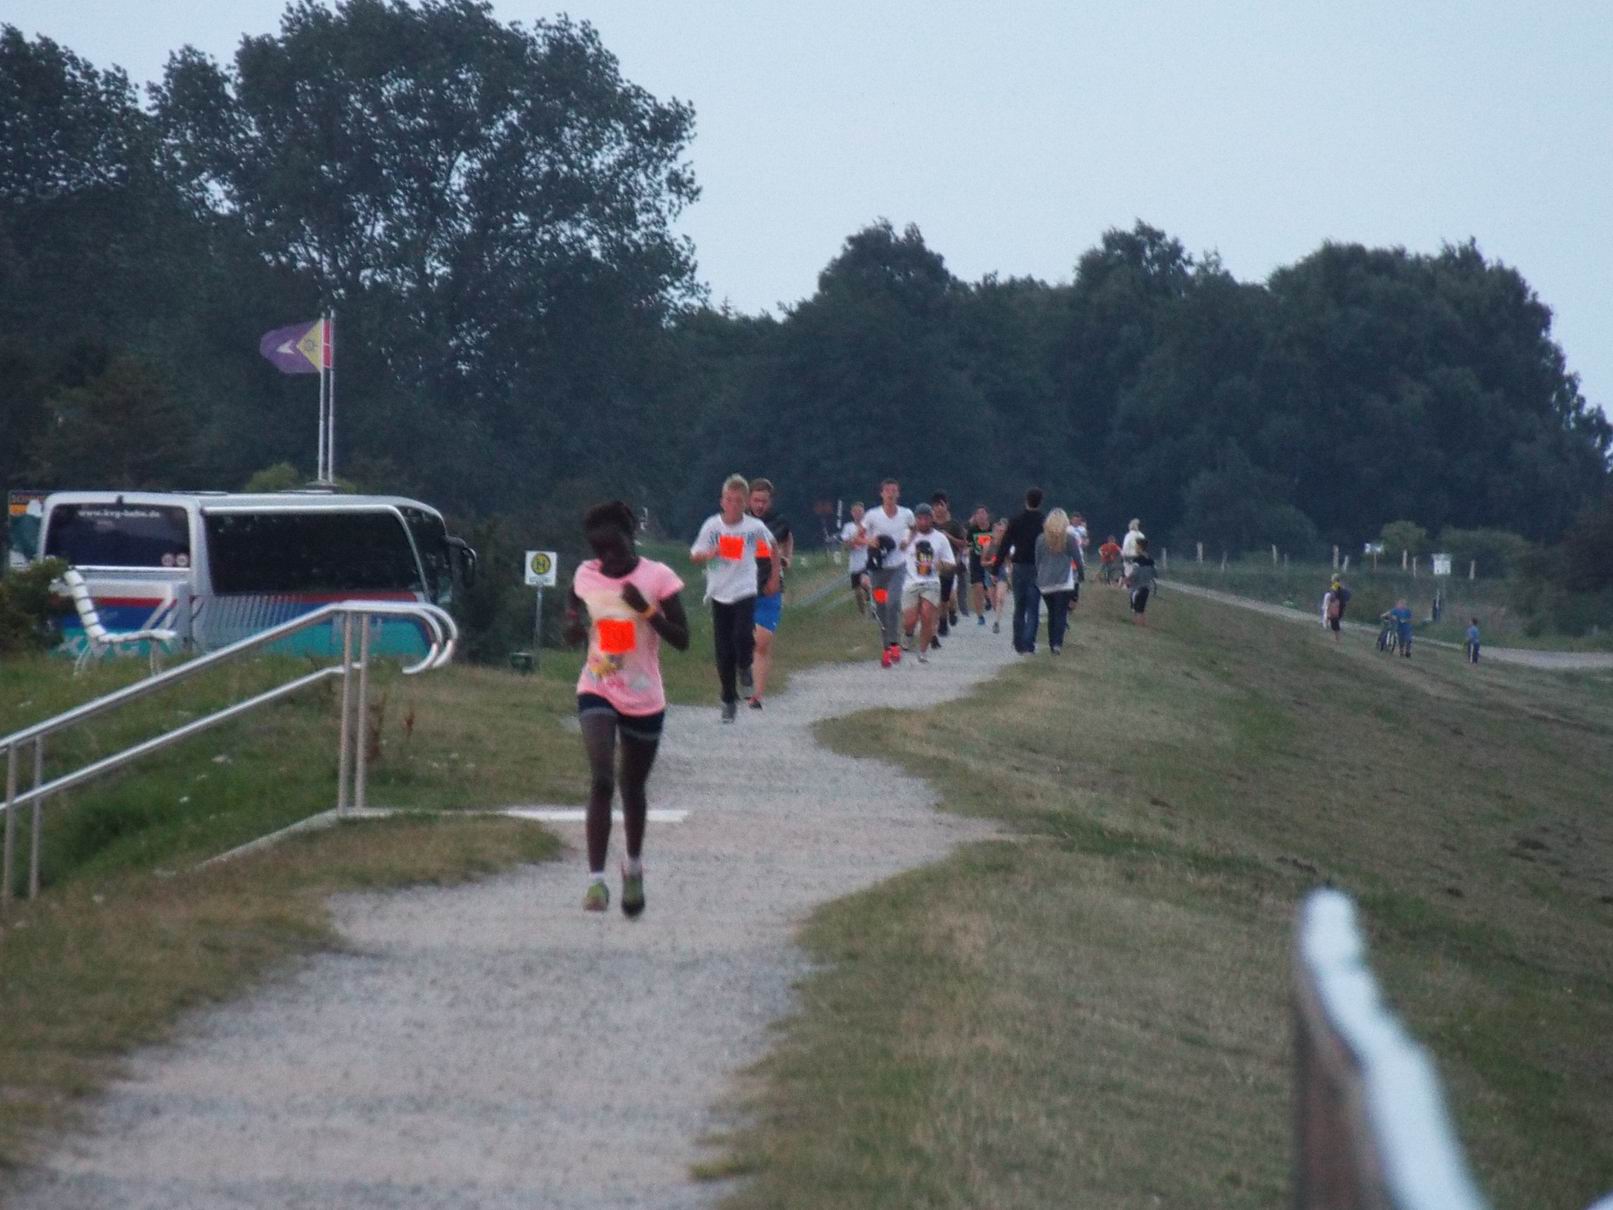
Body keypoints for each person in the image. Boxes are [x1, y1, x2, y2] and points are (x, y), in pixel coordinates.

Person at [564, 501, 690, 915]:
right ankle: (595, 882)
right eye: (599, 551)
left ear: (630, 536)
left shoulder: (658, 577)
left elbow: (683, 639)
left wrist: (646, 610)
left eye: (614, 548)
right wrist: (571, 623)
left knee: (632, 787)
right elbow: (574, 599)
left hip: (644, 696)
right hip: (597, 685)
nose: (608, 558)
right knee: (602, 779)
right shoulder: (586, 573)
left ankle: (633, 868)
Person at [690, 474, 774, 722]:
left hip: (744, 589)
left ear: (745, 503)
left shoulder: (753, 528)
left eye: (738, 501)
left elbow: (771, 548)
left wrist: (773, 577)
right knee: (724, 650)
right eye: (729, 500)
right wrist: (710, 553)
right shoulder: (712, 527)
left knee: (742, 635)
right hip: (719, 592)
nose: (733, 505)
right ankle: (728, 698)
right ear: (722, 501)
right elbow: (694, 555)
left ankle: (745, 666)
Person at [747, 477, 793, 710]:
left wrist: (787, 558)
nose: (760, 505)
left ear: (770, 501)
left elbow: (787, 538)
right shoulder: (737, 521)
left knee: (762, 642)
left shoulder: (778, 522)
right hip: (741, 590)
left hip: (769, 588)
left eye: (764, 501)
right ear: (748, 500)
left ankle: (757, 695)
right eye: (756, 500)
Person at [860, 478, 916, 668]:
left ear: (898, 493)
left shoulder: (906, 513)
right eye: (887, 491)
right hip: (878, 570)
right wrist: (869, 541)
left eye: (894, 490)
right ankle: (887, 648)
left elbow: (914, 529)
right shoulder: (872, 515)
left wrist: (908, 541)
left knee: (893, 603)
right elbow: (857, 537)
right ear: (882, 494)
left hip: (898, 567)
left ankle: (895, 643)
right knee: (881, 608)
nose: (891, 494)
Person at [900, 503, 957, 662]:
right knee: (910, 620)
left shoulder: (940, 538)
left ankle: (923, 651)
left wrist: (941, 565)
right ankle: (908, 634)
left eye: (926, 519)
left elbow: (951, 563)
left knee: (927, 615)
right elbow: (899, 550)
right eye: (920, 519)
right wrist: (910, 536)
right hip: (910, 582)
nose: (923, 522)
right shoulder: (907, 534)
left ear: (932, 519)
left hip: (931, 582)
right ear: (915, 519)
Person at [995, 487, 1047, 653]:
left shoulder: (1016, 520)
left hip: (1018, 566)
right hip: (1037, 567)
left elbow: (1005, 545)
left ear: (1026, 500)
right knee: (1033, 607)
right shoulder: (1044, 522)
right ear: (1040, 502)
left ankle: (1018, 642)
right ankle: (1028, 642)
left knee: (1020, 606)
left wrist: (996, 566)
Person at [1034, 508, 1079, 654]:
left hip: (1045, 583)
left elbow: (1037, 561)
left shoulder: (1041, 539)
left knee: (1052, 613)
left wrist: (1038, 575)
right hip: (1063, 582)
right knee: (1060, 613)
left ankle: (1051, 642)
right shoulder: (1069, 539)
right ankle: (1057, 644)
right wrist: (1081, 576)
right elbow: (1078, 559)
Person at [931, 492, 969, 633]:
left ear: (947, 506)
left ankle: (952, 611)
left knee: (951, 596)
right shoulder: (930, 524)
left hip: (950, 564)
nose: (939, 508)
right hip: (934, 564)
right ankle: (942, 622)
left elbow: (963, 544)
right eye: (936, 505)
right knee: (939, 596)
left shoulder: (954, 525)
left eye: (941, 505)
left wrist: (948, 537)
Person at [840, 501, 870, 614]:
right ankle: (863, 613)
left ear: (864, 512)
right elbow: (846, 546)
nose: (858, 513)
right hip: (855, 564)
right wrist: (853, 541)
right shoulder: (848, 527)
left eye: (860, 511)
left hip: (868, 561)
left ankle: (874, 604)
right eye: (855, 511)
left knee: (865, 583)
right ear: (852, 513)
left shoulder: (869, 526)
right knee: (858, 593)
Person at [966, 505, 993, 623]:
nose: (981, 516)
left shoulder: (993, 528)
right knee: (978, 587)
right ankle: (980, 616)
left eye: (983, 513)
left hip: (990, 562)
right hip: (976, 562)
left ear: (987, 515)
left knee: (988, 587)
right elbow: (967, 544)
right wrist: (969, 549)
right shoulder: (972, 530)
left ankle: (989, 599)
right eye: (978, 514)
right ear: (975, 517)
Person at [1125, 537, 1157, 626]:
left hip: (1137, 586)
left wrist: (1127, 579)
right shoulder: (1151, 559)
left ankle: (1136, 624)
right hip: (1147, 586)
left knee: (1136, 606)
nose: (1135, 547)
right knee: (1142, 607)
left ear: (1139, 547)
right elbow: (1154, 573)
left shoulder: (1137, 559)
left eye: (1136, 546)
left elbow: (1134, 573)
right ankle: (1143, 624)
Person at [988, 517, 1010, 628]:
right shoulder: (988, 545)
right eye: (998, 531)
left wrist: (1009, 568)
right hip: (990, 571)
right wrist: (989, 562)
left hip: (1002, 570)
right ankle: (996, 611)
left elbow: (1011, 560)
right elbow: (982, 560)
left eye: (1003, 531)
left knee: (1000, 597)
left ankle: (996, 622)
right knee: (993, 600)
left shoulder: (1008, 545)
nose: (1000, 533)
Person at [1323, 574, 1351, 641]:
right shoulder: (1342, 585)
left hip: (1336, 605)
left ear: (1334, 579)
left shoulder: (1335, 585)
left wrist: (1329, 602)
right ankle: (1335, 636)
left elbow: (1333, 595)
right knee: (1335, 619)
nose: (1331, 579)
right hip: (1342, 604)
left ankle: (1337, 638)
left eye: (1332, 578)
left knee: (1334, 620)